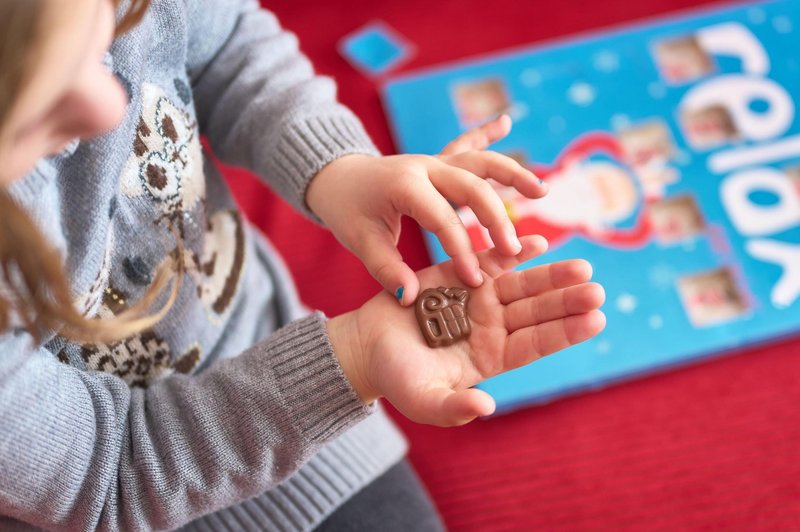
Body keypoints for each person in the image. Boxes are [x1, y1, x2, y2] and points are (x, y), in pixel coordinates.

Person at [0, 0, 607, 530]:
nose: (113, 107)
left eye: (104, 34)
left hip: (273, 373)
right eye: (38, 106)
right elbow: (103, 477)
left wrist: (339, 169)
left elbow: (228, 47)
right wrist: (353, 358)